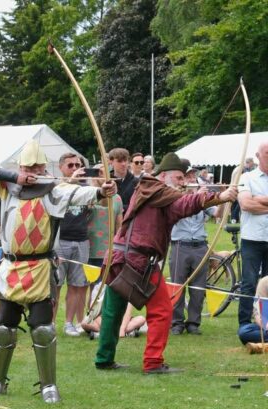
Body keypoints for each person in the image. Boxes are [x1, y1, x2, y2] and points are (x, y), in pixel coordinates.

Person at [0, 140, 116, 403]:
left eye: (38, 167)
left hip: (40, 268)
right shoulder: (7, 187)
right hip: (10, 266)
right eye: (28, 167)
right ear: (20, 167)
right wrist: (12, 175)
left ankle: (48, 386)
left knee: (43, 329)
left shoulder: (53, 190)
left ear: (45, 168)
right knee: (4, 327)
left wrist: (102, 191)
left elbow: (79, 194)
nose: (34, 171)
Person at [94, 153, 235, 374]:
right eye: (179, 178)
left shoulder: (147, 189)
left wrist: (212, 197)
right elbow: (186, 204)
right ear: (165, 175)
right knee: (161, 310)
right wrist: (220, 196)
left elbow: (181, 202)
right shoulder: (161, 193)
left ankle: (104, 359)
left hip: (118, 257)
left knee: (113, 311)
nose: (182, 183)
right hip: (137, 261)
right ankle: (152, 362)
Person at [169, 164, 217, 335]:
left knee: (198, 287)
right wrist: (195, 197)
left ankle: (193, 323)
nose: (190, 179)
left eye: (192, 176)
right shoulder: (174, 195)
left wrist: (225, 197)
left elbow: (217, 213)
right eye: (187, 177)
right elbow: (179, 208)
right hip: (180, 245)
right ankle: (176, 322)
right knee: (177, 285)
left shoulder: (202, 196)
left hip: (199, 246)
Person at [53, 153, 91, 337]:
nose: (75, 168)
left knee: (77, 285)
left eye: (78, 165)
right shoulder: (56, 187)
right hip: (61, 240)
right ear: (61, 167)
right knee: (56, 284)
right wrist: (71, 181)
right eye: (71, 165)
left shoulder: (85, 189)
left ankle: (69, 323)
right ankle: (50, 323)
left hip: (81, 240)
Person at [237, 142, 268, 329]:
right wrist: (253, 201)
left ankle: (265, 323)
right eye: (267, 153)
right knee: (249, 283)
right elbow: (246, 205)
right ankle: (245, 323)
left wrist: (259, 199)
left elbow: (252, 202)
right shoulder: (247, 177)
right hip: (252, 239)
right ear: (258, 155)